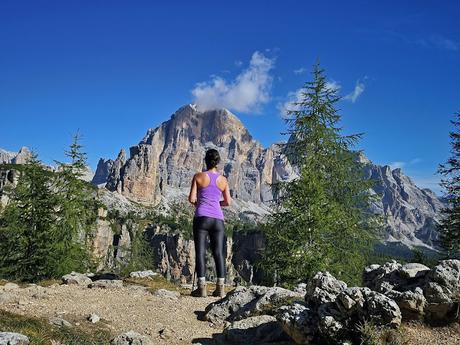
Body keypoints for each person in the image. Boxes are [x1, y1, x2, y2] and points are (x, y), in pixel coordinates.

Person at [188, 149, 232, 297]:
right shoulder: (223, 180)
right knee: (218, 252)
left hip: (201, 217)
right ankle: (220, 288)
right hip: (218, 219)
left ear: (205, 161)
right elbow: (228, 202)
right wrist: (216, 205)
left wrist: (200, 204)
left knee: (200, 252)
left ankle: (201, 288)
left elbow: (192, 199)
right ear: (218, 162)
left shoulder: (198, 176)